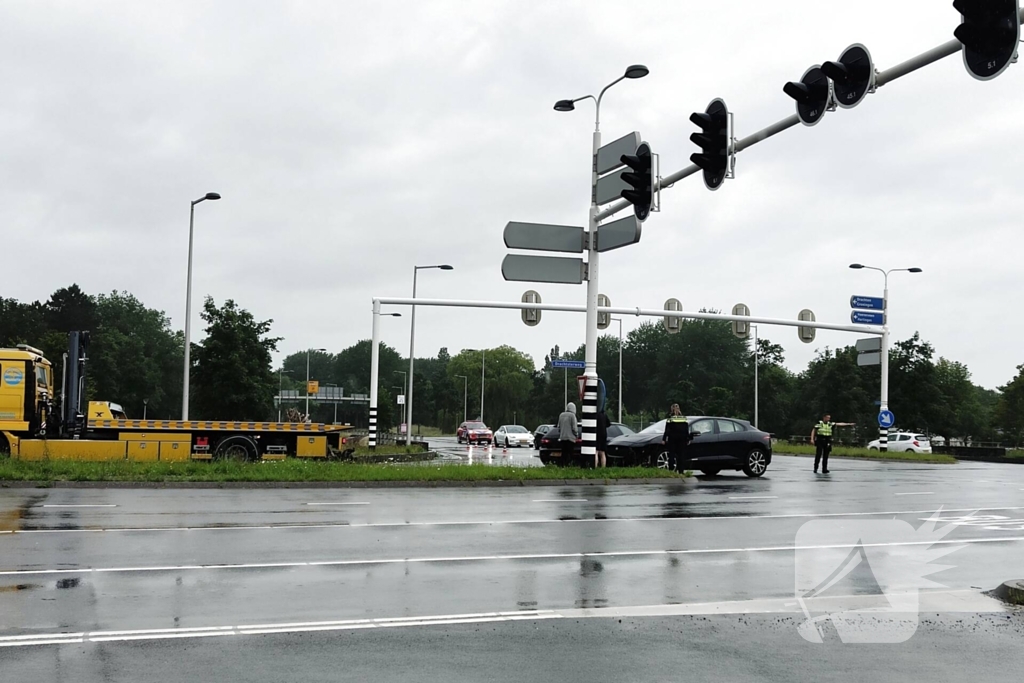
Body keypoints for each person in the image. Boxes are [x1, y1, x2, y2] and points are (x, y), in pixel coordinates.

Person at [661, 404, 691, 472]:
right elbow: (686, 430)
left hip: (673, 439)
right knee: (681, 455)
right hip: (682, 439)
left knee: (672, 455)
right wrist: (688, 438)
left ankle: (671, 470)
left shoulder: (671, 419)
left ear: (672, 410)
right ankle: (681, 471)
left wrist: (664, 439)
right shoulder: (684, 418)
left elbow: (667, 430)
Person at [556, 402, 578, 467]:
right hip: (570, 438)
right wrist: (576, 434)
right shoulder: (572, 416)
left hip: (562, 437)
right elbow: (574, 428)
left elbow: (558, 427)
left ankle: (562, 465)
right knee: (570, 453)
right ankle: (569, 465)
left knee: (564, 453)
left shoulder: (561, 415)